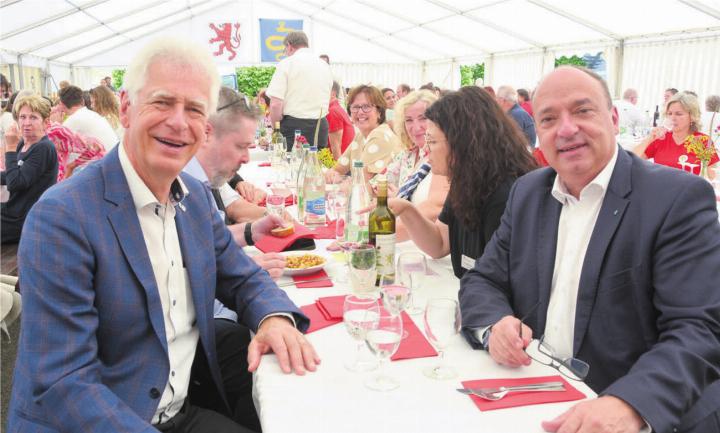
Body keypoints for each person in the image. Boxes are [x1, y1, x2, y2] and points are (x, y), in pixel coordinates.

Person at [7, 37, 318, 433]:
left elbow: (243, 276)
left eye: (192, 109)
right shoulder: (62, 217)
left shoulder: (195, 201)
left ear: (205, 128)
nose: (178, 122)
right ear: (125, 107)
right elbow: (64, 383)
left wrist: (274, 318)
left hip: (176, 409)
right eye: (162, 102)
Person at [459, 66, 720, 433]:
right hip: (538, 393)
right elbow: (483, 279)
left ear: (613, 119)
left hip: (628, 410)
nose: (566, 129)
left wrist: (631, 403)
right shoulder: (528, 192)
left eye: (583, 111)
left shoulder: (676, 198)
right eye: (548, 118)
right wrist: (496, 324)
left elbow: (699, 328)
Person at [183, 86, 287, 431]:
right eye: (242, 146)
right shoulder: (182, 183)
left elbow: (211, 248)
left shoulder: (197, 185)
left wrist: (250, 234)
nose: (246, 158)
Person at [388, 86, 536, 279]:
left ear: (460, 143)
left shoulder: (505, 195)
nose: (426, 148)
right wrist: (406, 210)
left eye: (432, 141)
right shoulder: (465, 182)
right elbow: (439, 244)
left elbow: (500, 278)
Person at [387, 89, 450, 242]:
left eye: (423, 118)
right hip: (408, 242)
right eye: (409, 120)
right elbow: (381, 185)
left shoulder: (443, 157)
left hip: (423, 248)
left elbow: (433, 208)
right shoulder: (415, 155)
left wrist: (375, 235)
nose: (416, 127)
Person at [1, 95, 58, 244]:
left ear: (45, 122)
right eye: (22, 117)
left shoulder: (44, 148)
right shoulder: (24, 144)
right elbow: (13, 174)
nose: (26, 123)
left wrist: (10, 148)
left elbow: (15, 183)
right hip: (13, 211)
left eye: (33, 118)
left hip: (25, 219)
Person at [266, 31, 332, 150]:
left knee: (291, 165)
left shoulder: (286, 64)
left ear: (289, 46)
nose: (285, 53)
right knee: (317, 165)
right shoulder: (324, 66)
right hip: (320, 126)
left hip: (294, 126)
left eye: (285, 50)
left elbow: (275, 104)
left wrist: (276, 129)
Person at [326, 85, 402, 181]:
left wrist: (338, 179)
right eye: (355, 107)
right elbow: (338, 169)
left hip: (383, 195)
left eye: (366, 106)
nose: (360, 112)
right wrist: (332, 174)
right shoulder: (361, 136)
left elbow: (360, 182)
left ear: (379, 111)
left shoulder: (380, 135)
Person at [633, 92, 718, 176]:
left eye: (679, 114)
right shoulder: (661, 138)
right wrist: (649, 138)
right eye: (669, 113)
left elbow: (711, 177)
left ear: (692, 117)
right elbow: (631, 160)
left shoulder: (703, 141)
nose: (672, 118)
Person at [57, 84, 118, 150]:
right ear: (83, 101)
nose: (91, 106)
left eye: (92, 102)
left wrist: (56, 124)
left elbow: (55, 145)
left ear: (62, 105)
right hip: (113, 154)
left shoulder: (74, 119)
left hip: (107, 157)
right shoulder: (91, 114)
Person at [496, 85, 536, 149]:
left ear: (502, 100)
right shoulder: (516, 112)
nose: (496, 101)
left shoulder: (515, 115)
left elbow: (511, 142)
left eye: (497, 98)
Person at [326, 80, 355, 159]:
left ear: (333, 93)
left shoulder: (332, 111)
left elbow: (336, 147)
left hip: (340, 163)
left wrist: (337, 170)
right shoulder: (336, 108)